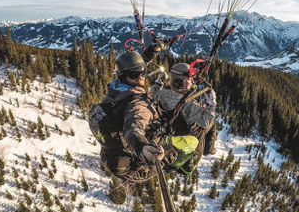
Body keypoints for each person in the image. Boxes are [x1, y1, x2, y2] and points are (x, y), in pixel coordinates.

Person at [89, 43, 166, 182]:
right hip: (137, 166)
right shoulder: (137, 104)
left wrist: (149, 53)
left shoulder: (116, 90)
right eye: (134, 75)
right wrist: (142, 148)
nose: (141, 77)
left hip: (113, 157)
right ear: (123, 76)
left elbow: (133, 67)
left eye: (143, 72)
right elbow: (134, 128)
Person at [152, 62, 217, 175]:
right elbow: (205, 122)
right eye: (189, 79)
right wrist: (211, 104)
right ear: (179, 82)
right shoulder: (189, 105)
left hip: (168, 130)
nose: (192, 81)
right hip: (181, 136)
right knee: (210, 126)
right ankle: (207, 150)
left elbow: (154, 95)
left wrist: (159, 82)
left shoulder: (163, 94)